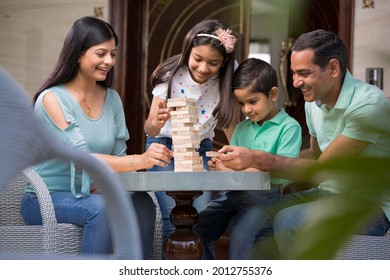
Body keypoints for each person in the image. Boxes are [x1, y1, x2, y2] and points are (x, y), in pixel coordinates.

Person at [214, 29, 390, 259]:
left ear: (333, 68)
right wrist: (272, 159)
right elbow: (314, 154)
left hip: (369, 205)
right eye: (294, 73)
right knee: (253, 218)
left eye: (303, 73)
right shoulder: (313, 102)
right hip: (327, 193)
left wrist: (258, 158)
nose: (296, 82)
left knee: (288, 221)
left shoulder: (368, 105)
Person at [20, 16, 173, 258]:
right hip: (46, 198)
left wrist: (110, 182)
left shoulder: (112, 98)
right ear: (78, 54)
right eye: (101, 53)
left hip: (93, 191)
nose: (109, 61)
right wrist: (141, 160)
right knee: (101, 209)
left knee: (142, 202)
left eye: (113, 54)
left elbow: (118, 155)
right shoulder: (52, 99)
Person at [194, 58, 302, 259]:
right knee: (197, 228)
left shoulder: (289, 127)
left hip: (265, 197)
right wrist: (219, 164)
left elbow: (279, 172)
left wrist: (234, 170)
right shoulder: (242, 128)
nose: (246, 110)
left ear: (273, 94)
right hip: (232, 193)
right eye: (241, 103)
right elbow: (229, 164)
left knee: (241, 235)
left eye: (252, 102)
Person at [144, 19, 240, 242]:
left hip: (200, 151)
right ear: (188, 51)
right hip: (163, 148)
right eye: (198, 59)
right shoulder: (171, 76)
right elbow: (149, 127)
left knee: (201, 219)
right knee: (172, 219)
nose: (204, 68)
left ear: (223, 63)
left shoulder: (224, 81)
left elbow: (230, 127)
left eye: (213, 63)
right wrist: (157, 122)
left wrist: (237, 157)